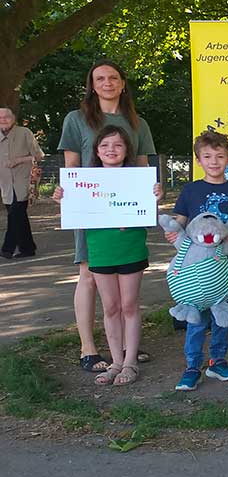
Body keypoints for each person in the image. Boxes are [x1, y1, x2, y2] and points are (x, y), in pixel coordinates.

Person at [58, 60, 156, 373]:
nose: (107, 83)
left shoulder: (138, 122)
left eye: (113, 77)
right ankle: (88, 347)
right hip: (90, 211)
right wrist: (68, 198)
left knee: (127, 289)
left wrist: (148, 200)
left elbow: (142, 170)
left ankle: (127, 347)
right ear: (92, 84)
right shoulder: (76, 119)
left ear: (123, 83)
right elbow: (71, 168)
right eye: (100, 78)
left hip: (126, 214)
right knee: (88, 275)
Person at [52, 126, 161, 386]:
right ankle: (115, 362)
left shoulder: (139, 179)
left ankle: (130, 361)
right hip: (100, 251)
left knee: (129, 306)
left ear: (126, 150)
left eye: (118, 145)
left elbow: (149, 215)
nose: (111, 150)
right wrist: (62, 198)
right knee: (110, 308)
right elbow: (75, 210)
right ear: (97, 151)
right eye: (105, 146)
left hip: (130, 248)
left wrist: (156, 196)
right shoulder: (83, 181)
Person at [164, 130, 228, 391]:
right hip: (194, 269)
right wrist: (172, 231)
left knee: (223, 315)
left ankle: (218, 360)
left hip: (227, 265)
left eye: (220, 156)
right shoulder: (191, 190)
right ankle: (192, 366)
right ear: (198, 160)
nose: (214, 161)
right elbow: (180, 220)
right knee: (195, 319)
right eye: (207, 156)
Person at [0, 107, 43, 259]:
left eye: (7, 116)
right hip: (5, 184)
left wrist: (19, 160)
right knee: (19, 216)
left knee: (15, 214)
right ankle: (27, 248)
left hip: (23, 182)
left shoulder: (25, 133)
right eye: (0, 117)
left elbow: (38, 156)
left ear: (13, 118)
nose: (3, 119)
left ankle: (7, 248)